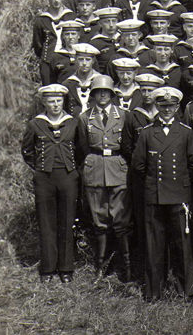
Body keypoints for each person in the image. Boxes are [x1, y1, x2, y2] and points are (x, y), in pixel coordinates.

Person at [131, 86, 193, 301]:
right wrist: (154, 183)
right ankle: (154, 291)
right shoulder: (147, 133)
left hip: (179, 195)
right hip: (155, 195)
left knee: (182, 245)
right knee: (154, 245)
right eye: (163, 106)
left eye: (171, 106)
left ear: (177, 107)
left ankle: (187, 291)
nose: (167, 110)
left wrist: (180, 184)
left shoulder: (186, 132)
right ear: (157, 107)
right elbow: (138, 165)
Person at [22, 84, 81, 283]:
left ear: (63, 101)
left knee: (67, 220)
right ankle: (47, 268)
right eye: (51, 101)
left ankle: (66, 268)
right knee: (46, 222)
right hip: (44, 179)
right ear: (44, 103)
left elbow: (81, 149)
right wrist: (40, 167)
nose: (55, 105)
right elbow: (27, 151)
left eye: (58, 101)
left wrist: (73, 170)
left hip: (68, 177)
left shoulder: (73, 123)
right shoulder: (35, 124)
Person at [76, 75, 132, 279]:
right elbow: (83, 146)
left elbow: (127, 144)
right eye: (98, 92)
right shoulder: (85, 118)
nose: (102, 95)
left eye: (106, 92)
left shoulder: (124, 115)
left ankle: (126, 267)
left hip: (118, 169)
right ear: (93, 95)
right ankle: (100, 266)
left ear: (112, 94)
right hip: (95, 169)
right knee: (99, 219)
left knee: (121, 219)